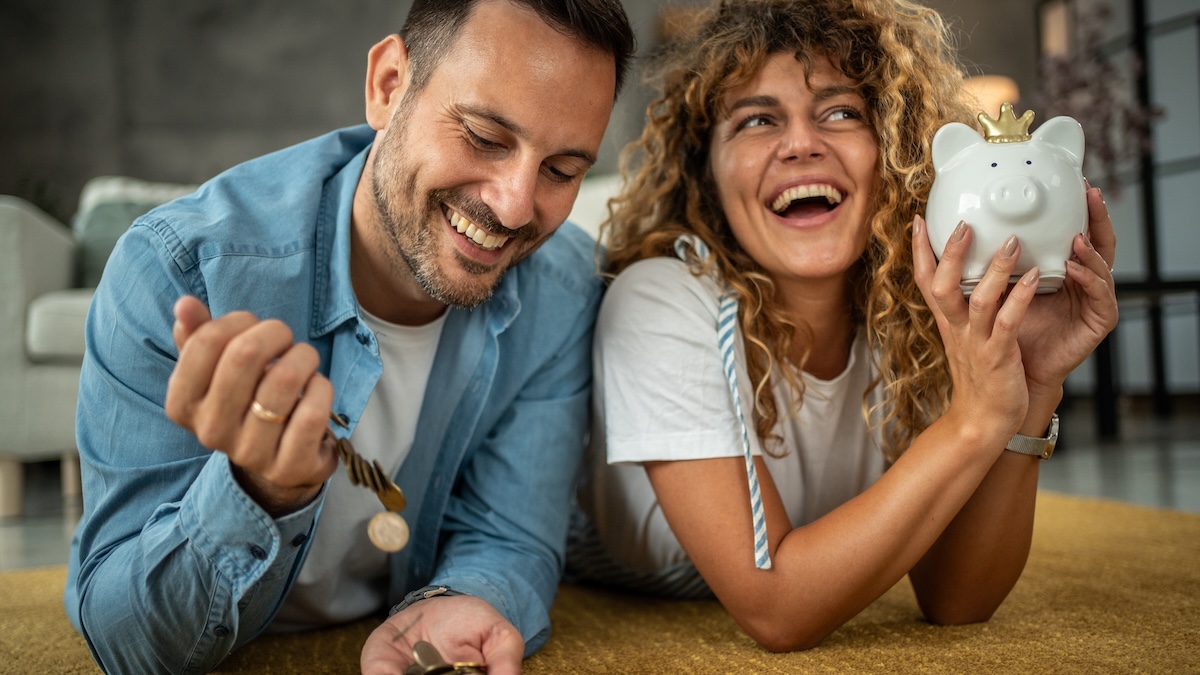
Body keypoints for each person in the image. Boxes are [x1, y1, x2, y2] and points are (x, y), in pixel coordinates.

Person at [64, 1, 635, 672]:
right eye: (483, 135)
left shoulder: (561, 286)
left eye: (562, 171)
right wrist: (258, 490)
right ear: (388, 85)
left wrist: (470, 597)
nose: (514, 205)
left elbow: (509, 533)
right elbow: (122, 637)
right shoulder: (178, 273)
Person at [568, 0, 1119, 652]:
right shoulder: (662, 299)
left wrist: (1029, 383)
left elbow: (956, 597)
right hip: (600, 573)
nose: (801, 143)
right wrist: (972, 422)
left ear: (895, 150)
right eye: (757, 120)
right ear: (707, 175)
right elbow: (776, 606)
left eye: (840, 113)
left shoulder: (916, 310)